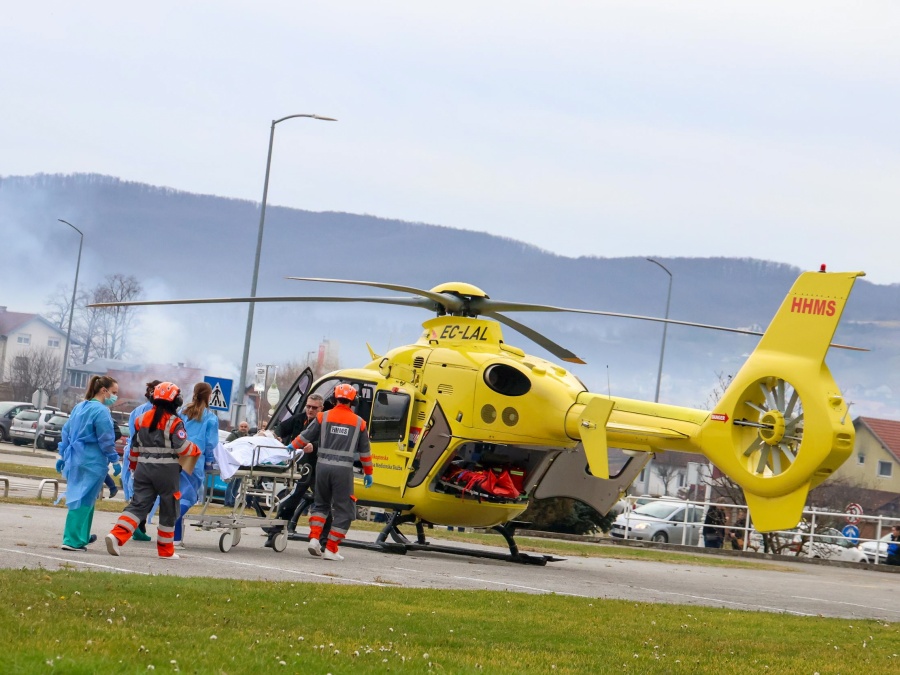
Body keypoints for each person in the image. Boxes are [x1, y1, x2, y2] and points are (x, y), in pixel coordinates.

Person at [105, 382, 200, 559]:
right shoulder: (175, 422)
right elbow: (183, 449)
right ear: (174, 401)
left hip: (142, 469)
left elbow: (134, 448)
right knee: (169, 508)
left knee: (138, 505)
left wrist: (133, 468)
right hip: (167, 472)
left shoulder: (140, 419)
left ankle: (116, 536)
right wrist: (195, 450)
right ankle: (165, 551)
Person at [287, 383, 373, 561]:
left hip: (322, 468)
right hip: (343, 471)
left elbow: (304, 437)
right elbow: (365, 452)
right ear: (353, 401)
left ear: (334, 399)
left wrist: (290, 447)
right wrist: (369, 473)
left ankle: (314, 539)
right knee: (345, 511)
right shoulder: (359, 423)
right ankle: (331, 548)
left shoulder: (322, 417)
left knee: (320, 505)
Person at [56, 375, 122, 551]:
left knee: (80, 497)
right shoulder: (101, 411)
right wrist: (115, 460)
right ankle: (73, 540)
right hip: (92, 460)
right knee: (84, 500)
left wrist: (62, 456)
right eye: (114, 393)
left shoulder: (79, 407)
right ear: (104, 390)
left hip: (75, 459)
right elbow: (106, 439)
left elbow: (66, 431)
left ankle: (82, 535)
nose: (115, 397)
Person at [264, 394, 325, 547]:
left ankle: (324, 541)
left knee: (323, 502)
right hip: (301, 468)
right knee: (291, 499)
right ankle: (274, 534)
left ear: (321, 408)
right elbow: (282, 427)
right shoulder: (299, 418)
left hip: (319, 468)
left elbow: (330, 442)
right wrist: (276, 436)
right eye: (308, 406)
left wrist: (315, 446)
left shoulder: (325, 422)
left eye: (314, 408)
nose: (310, 410)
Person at [174, 382, 219, 545]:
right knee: (190, 496)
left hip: (179, 453)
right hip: (195, 457)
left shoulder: (183, 411)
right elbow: (210, 443)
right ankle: (171, 523)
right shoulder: (210, 417)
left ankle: (175, 538)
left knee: (178, 495)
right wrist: (209, 461)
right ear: (209, 396)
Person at [122, 380, 162, 542]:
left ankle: (136, 526)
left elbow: (134, 438)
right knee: (144, 495)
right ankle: (136, 526)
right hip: (150, 458)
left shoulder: (137, 412)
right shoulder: (159, 413)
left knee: (140, 494)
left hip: (138, 456)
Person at [223, 420, 250, 507]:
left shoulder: (248, 437)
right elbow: (226, 446)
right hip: (233, 462)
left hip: (243, 464)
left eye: (245, 427)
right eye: (242, 426)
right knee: (231, 483)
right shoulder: (232, 436)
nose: (243, 428)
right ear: (239, 427)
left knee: (237, 484)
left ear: (248, 428)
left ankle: (232, 502)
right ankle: (227, 502)